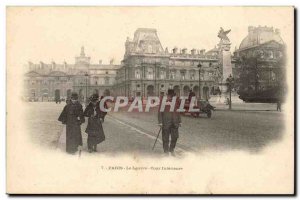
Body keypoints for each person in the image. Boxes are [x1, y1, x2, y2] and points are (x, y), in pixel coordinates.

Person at [158, 89, 181, 156]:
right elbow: (160, 112)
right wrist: (160, 122)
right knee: (165, 138)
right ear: (168, 95)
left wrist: (180, 121)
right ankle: (166, 151)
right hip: (166, 122)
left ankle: (172, 149)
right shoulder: (163, 101)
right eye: (170, 96)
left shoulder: (175, 102)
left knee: (175, 137)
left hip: (175, 122)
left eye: (173, 96)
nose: (171, 97)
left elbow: (177, 111)